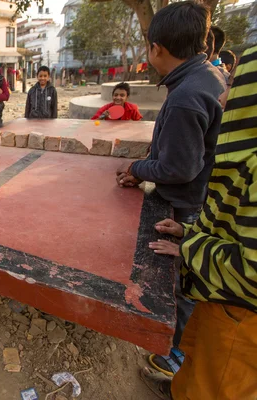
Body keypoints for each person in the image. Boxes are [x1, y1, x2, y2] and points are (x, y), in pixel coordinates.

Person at [115, 1, 226, 377]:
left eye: (148, 48)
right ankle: (187, 351)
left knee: (180, 284)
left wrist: (137, 167)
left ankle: (178, 357)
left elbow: (179, 167)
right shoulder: (207, 77)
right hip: (201, 200)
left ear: (157, 48)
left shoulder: (184, 98)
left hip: (187, 205)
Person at [141, 45, 257, 400]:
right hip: (223, 302)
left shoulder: (187, 95)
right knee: (200, 360)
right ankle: (180, 384)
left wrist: (189, 246)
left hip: (242, 319)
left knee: (219, 382)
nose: (224, 94)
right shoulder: (200, 82)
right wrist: (192, 233)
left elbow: (251, 267)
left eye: (235, 84)